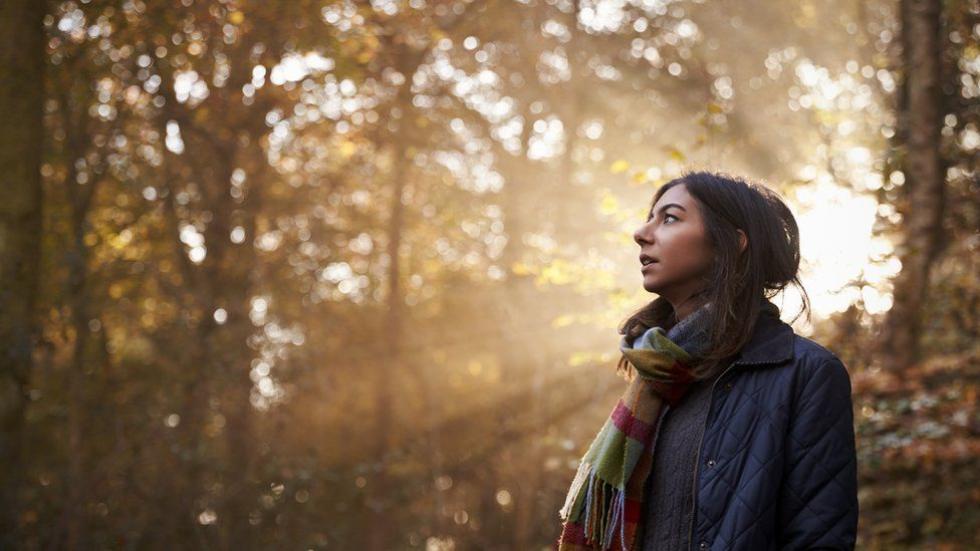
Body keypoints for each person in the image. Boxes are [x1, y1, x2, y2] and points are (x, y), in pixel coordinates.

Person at [556, 171, 858, 551]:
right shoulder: (655, 377)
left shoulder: (805, 373)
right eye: (650, 217)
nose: (641, 232)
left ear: (730, 243)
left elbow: (819, 538)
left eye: (669, 218)